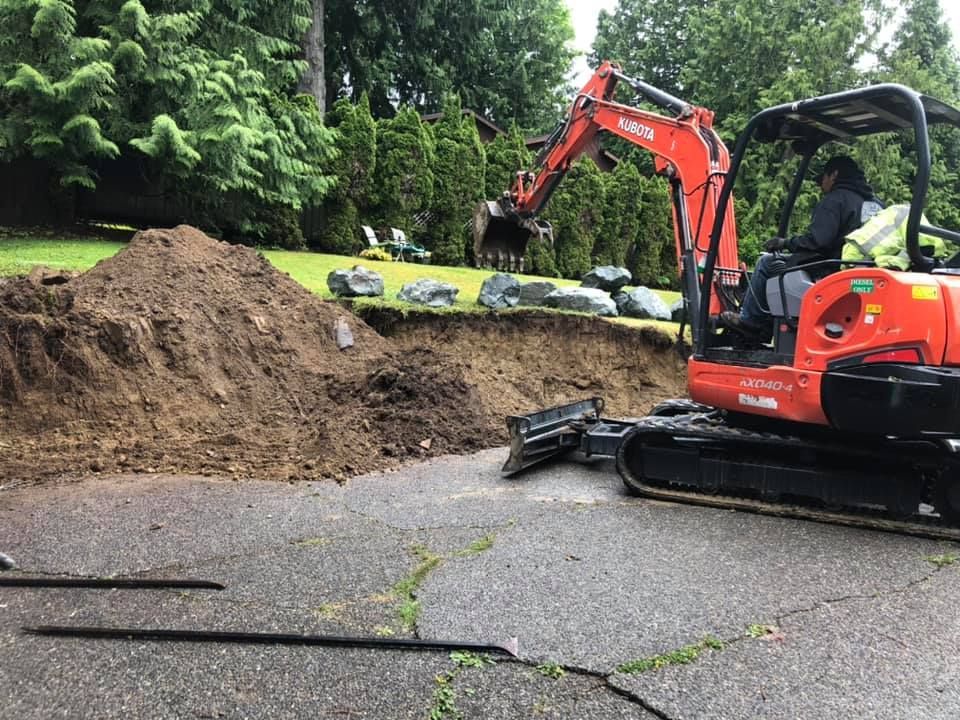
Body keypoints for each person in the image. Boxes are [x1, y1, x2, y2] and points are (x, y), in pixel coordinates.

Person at [720, 155, 882, 342]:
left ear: (834, 175)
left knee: (767, 262)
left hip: (830, 269)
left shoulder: (836, 200)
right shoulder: (875, 205)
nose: (821, 185)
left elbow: (818, 240)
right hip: (860, 271)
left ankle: (753, 323)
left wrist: (785, 243)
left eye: (823, 178)